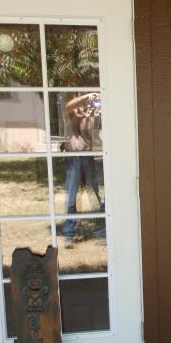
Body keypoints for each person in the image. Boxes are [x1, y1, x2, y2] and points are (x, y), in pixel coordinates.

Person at [62, 92, 104, 248]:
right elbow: (68, 106)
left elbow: (92, 137)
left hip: (88, 157)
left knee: (94, 195)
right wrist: (87, 97)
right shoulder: (71, 112)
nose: (89, 101)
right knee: (71, 198)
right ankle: (69, 234)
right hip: (73, 158)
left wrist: (93, 115)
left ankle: (102, 227)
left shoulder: (91, 114)